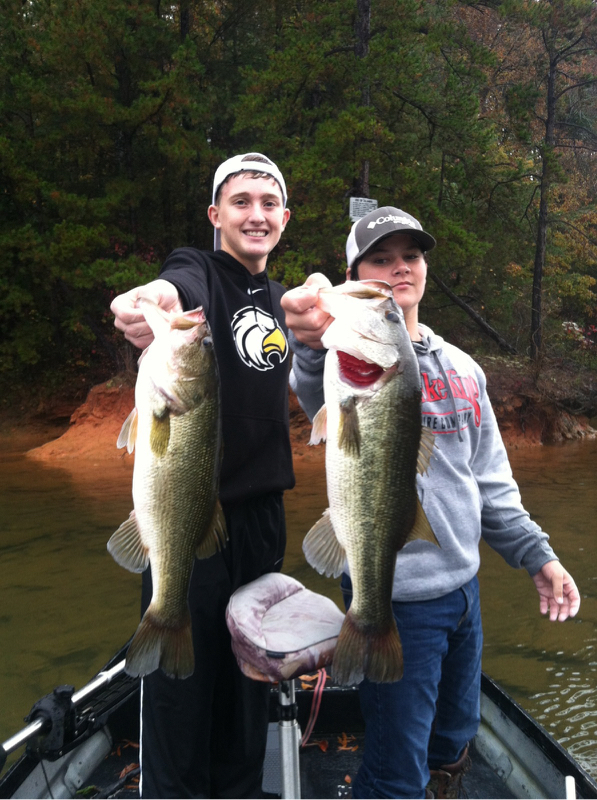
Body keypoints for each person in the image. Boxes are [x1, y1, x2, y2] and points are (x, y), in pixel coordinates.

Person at [280, 206, 581, 799]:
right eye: (380, 259)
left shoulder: (465, 368)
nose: (399, 268)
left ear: (424, 268)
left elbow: (490, 482)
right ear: (352, 274)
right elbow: (311, 378)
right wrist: (309, 337)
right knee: (396, 771)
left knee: (452, 740)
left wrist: (538, 555)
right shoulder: (343, 360)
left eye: (410, 256)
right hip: (396, 601)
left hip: (464, 594)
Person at [110, 153, 295, 799]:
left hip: (263, 523)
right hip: (190, 514)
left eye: (268, 203)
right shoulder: (201, 273)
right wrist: (151, 301)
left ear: (285, 218)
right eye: (240, 202)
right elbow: (174, 285)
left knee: (248, 690)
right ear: (216, 215)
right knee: (179, 698)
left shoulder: (282, 302)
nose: (256, 215)